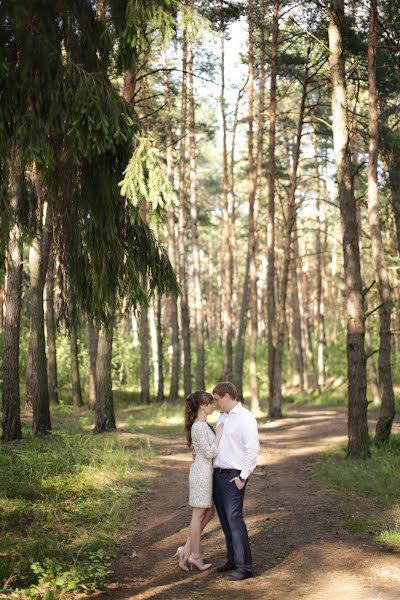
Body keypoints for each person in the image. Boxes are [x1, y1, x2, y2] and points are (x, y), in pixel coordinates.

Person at [212, 381, 259, 581]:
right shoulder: (221, 417)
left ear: (227, 396)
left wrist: (242, 476)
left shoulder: (246, 418)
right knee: (224, 519)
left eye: (216, 399)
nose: (215, 404)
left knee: (234, 520)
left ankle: (244, 566)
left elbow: (252, 449)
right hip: (218, 474)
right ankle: (232, 559)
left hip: (233, 477)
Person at [175, 391, 224, 571]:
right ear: (202, 406)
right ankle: (195, 556)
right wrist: (219, 434)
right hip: (201, 475)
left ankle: (186, 549)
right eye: (210, 403)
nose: (213, 405)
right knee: (198, 515)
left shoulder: (203, 425)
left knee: (209, 513)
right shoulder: (199, 427)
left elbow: (202, 449)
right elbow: (210, 452)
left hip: (205, 472)